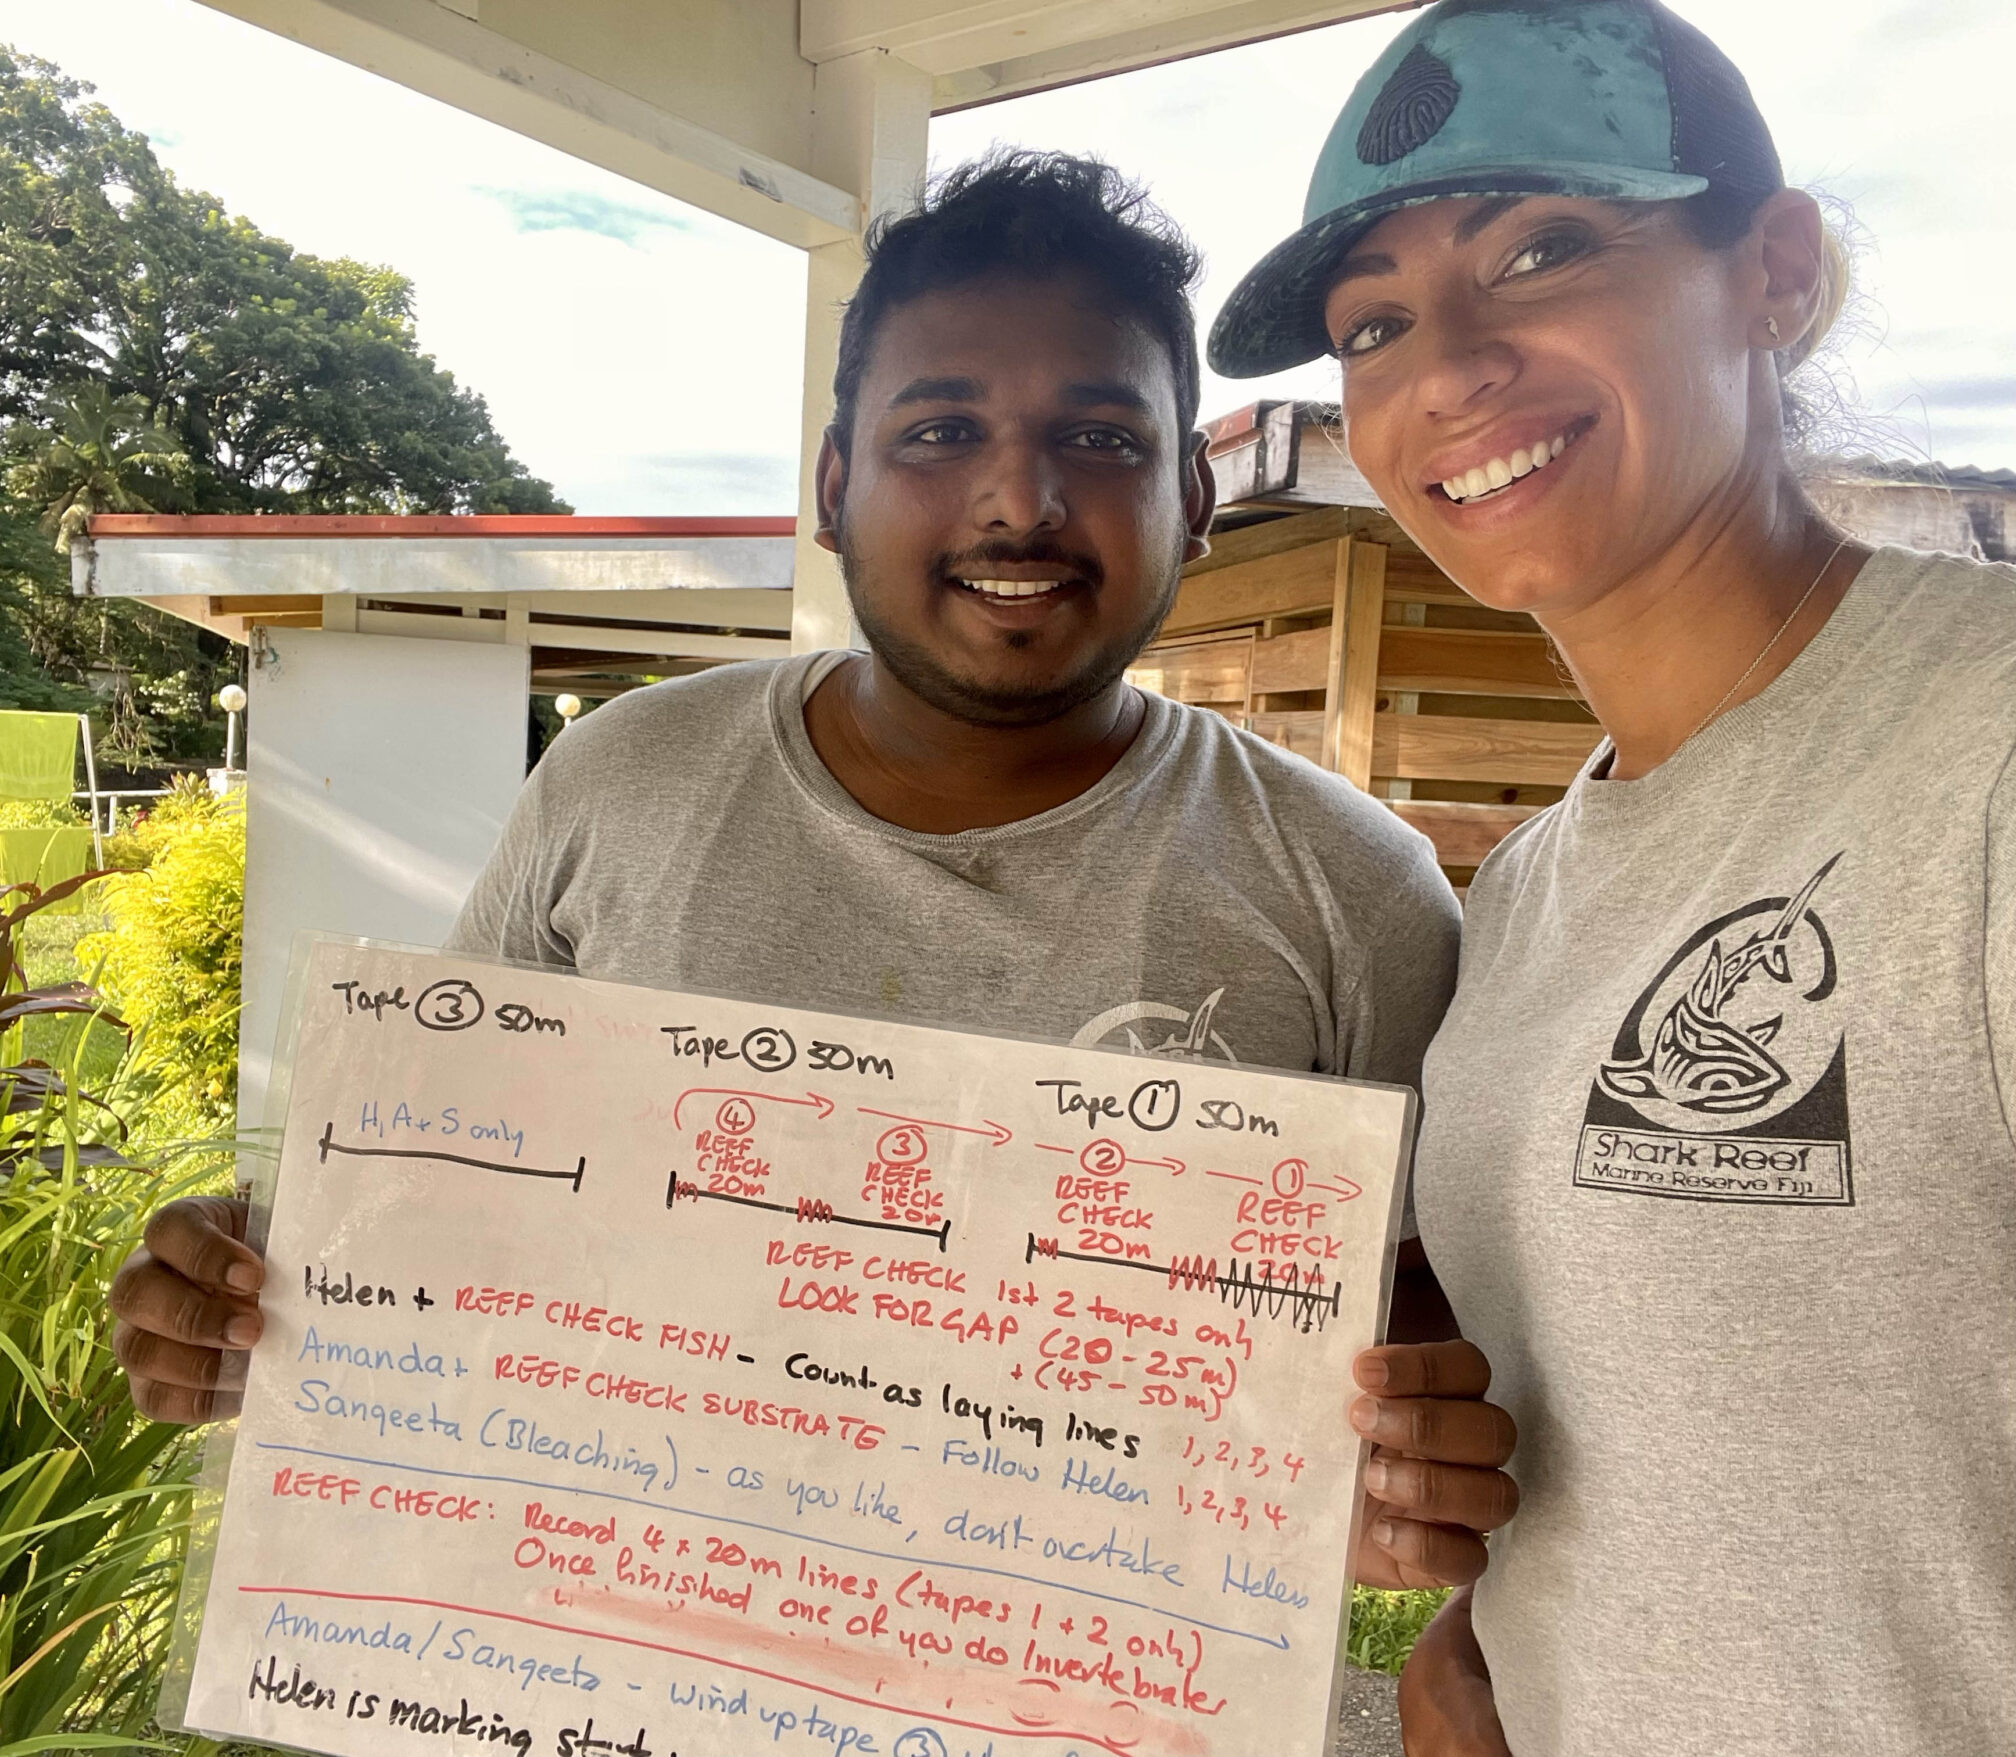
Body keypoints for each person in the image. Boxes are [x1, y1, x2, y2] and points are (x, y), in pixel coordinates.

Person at [107, 150, 1521, 1667]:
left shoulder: (1352, 888)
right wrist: (269, 1292)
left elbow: (1436, 1333)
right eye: (944, 428)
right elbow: (441, 1221)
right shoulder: (614, 790)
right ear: (837, 487)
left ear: (1190, 494)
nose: (1020, 498)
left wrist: (1413, 1454)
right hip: (590, 1683)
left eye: (1100, 435)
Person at [1209, 0, 2016, 1752]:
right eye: (1375, 321)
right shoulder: (1520, 903)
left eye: (1543, 249)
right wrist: (1414, 1623)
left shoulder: (1989, 751)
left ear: (1775, 273)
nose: (1447, 365)